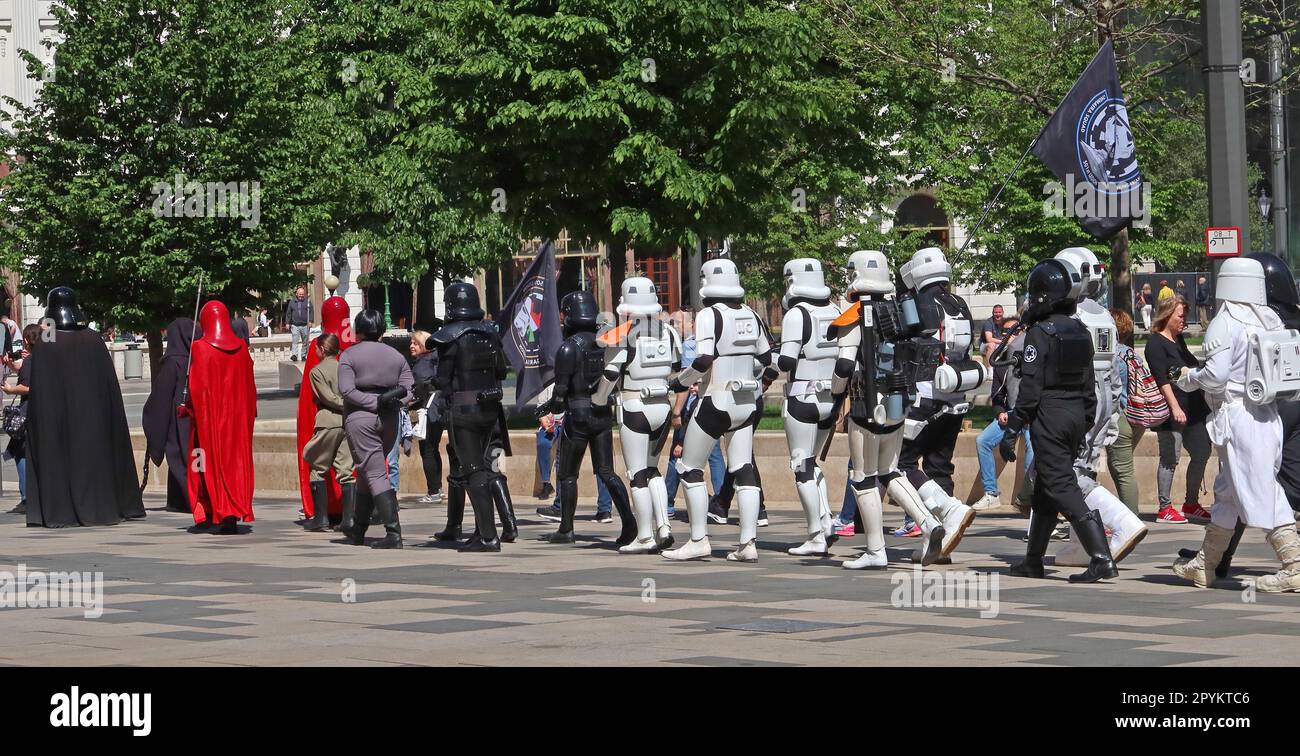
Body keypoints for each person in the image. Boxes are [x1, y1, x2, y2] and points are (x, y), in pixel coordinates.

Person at [1172, 257, 1300, 592]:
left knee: (1263, 490)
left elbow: (1215, 376)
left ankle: (1294, 566)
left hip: (1239, 416)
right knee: (1228, 493)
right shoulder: (1270, 319)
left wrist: (1189, 378)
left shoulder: (1225, 322)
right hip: (1267, 414)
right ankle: (1205, 564)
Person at [832, 250, 962, 569]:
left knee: (863, 478)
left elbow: (845, 364)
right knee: (891, 471)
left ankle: (876, 551)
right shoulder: (902, 310)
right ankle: (929, 524)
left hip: (866, 406)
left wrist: (834, 395)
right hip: (899, 402)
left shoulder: (853, 315)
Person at [1000, 259, 1113, 583]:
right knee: (1045, 491)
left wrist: (1013, 427)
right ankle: (1033, 560)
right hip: (1077, 413)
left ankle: (1101, 557)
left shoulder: (1040, 333)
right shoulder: (1079, 329)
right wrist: (1086, 420)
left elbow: (1031, 389)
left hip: (1050, 414)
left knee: (1061, 484)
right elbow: (1089, 383)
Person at [663, 259, 778, 562]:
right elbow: (768, 357)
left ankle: (699, 539)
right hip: (746, 402)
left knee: (688, 468)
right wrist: (759, 381)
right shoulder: (752, 314)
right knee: (743, 469)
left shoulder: (708, 316)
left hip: (716, 400)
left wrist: (679, 382)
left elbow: (702, 360)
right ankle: (748, 542)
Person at [1047, 248, 1148, 567]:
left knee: (1068, 475)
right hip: (1103, 400)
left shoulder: (1072, 317)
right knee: (1083, 469)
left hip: (1081, 401)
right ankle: (1081, 541)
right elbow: (1115, 369)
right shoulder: (1102, 314)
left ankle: (1122, 523)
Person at [26, 287, 145, 527]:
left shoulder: (48, 345)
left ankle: (62, 509)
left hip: (59, 423)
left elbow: (41, 393)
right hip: (95, 421)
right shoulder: (94, 339)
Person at [536, 290, 636, 545]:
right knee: (606, 471)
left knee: (568, 474)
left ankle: (566, 528)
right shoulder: (605, 342)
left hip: (578, 415)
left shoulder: (569, 348)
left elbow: (560, 393)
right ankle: (630, 522)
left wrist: (546, 408)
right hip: (602, 413)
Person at [895, 248, 979, 547]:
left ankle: (950, 511)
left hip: (923, 397)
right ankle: (945, 536)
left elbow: (899, 337)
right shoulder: (959, 303)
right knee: (940, 465)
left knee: (901, 464)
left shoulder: (916, 302)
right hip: (956, 395)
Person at [593, 276, 681, 553]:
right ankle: (664, 525)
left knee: (637, 473)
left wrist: (598, 399)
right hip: (662, 406)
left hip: (634, 406)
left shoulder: (623, 334)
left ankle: (644, 535)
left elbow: (609, 373)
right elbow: (677, 367)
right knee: (654, 469)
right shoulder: (669, 332)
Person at [427, 283, 511, 551]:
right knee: (483, 470)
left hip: (464, 410)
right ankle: (481, 531)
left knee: (473, 471)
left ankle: (487, 536)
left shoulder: (450, 337)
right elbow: (500, 370)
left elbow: (442, 379)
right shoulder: (490, 333)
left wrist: (426, 385)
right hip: (490, 408)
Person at [775, 259, 843, 557]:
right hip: (831, 399)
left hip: (802, 397)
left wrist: (764, 358)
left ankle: (815, 534)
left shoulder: (796, 315)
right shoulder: (836, 311)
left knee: (802, 465)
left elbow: (787, 361)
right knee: (812, 462)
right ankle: (826, 520)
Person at [337, 309, 413, 549]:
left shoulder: (349, 355)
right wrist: (391, 403)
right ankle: (358, 529)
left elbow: (346, 390)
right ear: (381, 329)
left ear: (358, 330)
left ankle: (393, 532)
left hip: (360, 417)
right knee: (368, 470)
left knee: (375, 473)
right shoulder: (396, 356)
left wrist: (372, 403)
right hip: (390, 417)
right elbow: (410, 389)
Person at [182, 301, 257, 534]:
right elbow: (250, 387)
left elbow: (197, 388)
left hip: (211, 420)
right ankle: (232, 511)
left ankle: (215, 510)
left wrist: (189, 409)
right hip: (237, 420)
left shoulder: (201, 348)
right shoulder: (242, 348)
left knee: (206, 463)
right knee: (235, 463)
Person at [1144, 294, 1211, 522]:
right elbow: (1161, 379)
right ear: (1167, 315)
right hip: (1172, 410)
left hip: (1193, 408)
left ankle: (1191, 503)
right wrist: (1174, 407)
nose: (1184, 320)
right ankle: (1165, 507)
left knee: (1202, 452)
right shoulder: (1155, 343)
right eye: (1180, 316)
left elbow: (1190, 365)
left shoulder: (1179, 340)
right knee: (1169, 458)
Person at [294, 296, 356, 527]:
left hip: (327, 421)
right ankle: (349, 517)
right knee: (346, 469)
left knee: (317, 466)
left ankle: (320, 516)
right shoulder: (351, 348)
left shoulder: (315, 356)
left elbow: (314, 398)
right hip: (348, 421)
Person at [972, 315, 1032, 511]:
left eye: (1014, 332)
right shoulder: (1001, 364)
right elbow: (997, 397)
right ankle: (991, 493)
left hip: (1031, 417)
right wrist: (1000, 413)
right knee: (983, 441)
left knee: (1033, 453)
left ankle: (1029, 499)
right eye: (1005, 332)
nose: (1009, 336)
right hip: (1011, 415)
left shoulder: (1031, 357)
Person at [142, 318, 201, 513]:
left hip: (180, 423)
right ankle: (184, 499)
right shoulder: (199, 359)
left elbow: (160, 399)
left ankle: (189, 499)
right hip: (199, 422)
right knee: (197, 462)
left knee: (182, 460)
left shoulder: (173, 363)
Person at [1104, 308, 1145, 514]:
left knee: (1123, 472)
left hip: (1119, 418)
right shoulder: (1132, 354)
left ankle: (1131, 519)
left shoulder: (1110, 355)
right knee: (1121, 469)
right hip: (1137, 417)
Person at [1, 324, 39, 515]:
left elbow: (28, 387)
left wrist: (10, 390)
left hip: (27, 414)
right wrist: (12, 366)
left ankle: (26, 498)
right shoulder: (42, 359)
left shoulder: (31, 361)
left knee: (19, 451)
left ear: (25, 340)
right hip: (41, 413)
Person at [409, 329, 445, 504]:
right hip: (437, 410)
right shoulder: (436, 360)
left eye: (415, 343)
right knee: (433, 449)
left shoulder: (423, 364)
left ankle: (434, 490)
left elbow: (420, 388)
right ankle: (437, 488)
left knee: (428, 451)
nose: (412, 346)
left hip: (427, 411)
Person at [285, 286, 314, 362]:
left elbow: (311, 311)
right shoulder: (292, 302)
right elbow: (288, 313)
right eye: (300, 294)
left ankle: (303, 355)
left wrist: (310, 321)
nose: (301, 296)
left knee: (305, 341)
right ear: (296, 294)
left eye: (302, 294)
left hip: (305, 325)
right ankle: (294, 355)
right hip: (295, 325)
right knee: (295, 341)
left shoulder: (307, 302)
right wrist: (287, 323)